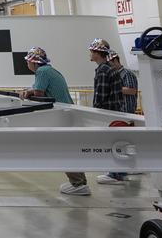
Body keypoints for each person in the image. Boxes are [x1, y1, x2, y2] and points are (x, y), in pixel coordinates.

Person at [20, 46, 90, 196]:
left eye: (28, 61)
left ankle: (78, 184)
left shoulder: (41, 72)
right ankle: (80, 182)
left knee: (65, 148)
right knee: (68, 147)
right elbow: (38, 89)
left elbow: (39, 94)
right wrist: (31, 90)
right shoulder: (50, 70)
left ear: (34, 62)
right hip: (68, 113)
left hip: (61, 116)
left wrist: (28, 95)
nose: (27, 65)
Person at [88, 38, 127, 185]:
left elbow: (101, 95)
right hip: (115, 111)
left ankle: (114, 174)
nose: (90, 54)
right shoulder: (109, 69)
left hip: (107, 113)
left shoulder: (103, 70)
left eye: (91, 51)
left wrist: (95, 112)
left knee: (111, 142)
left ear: (97, 53)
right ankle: (118, 172)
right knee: (116, 141)